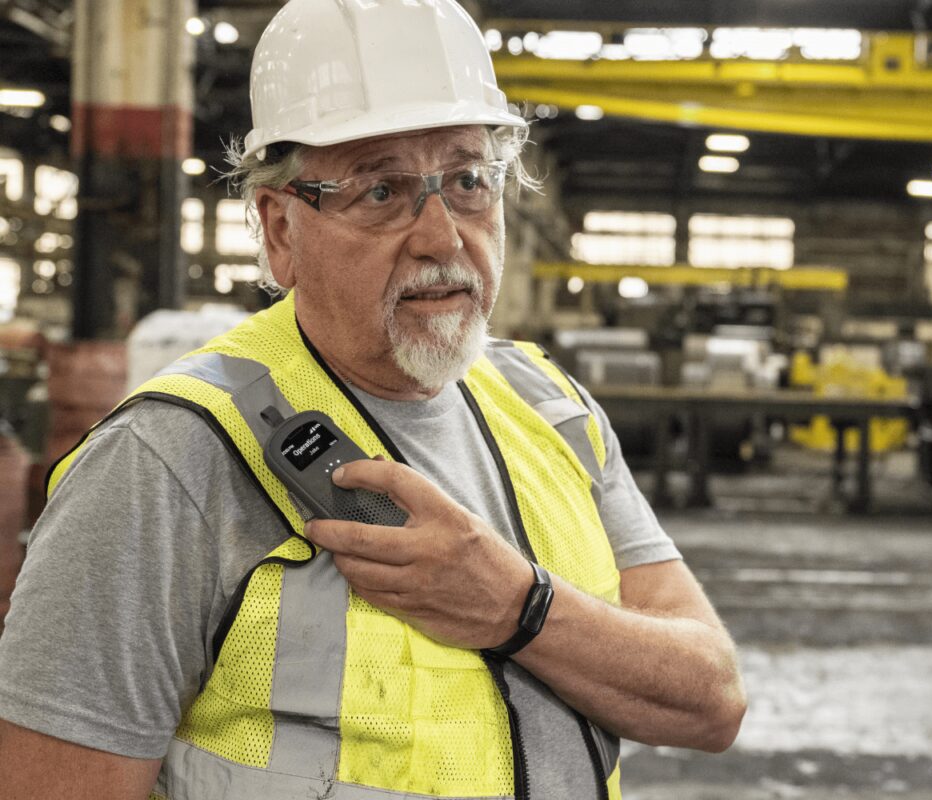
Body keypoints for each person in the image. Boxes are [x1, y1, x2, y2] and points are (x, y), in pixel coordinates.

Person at [0, 0, 746, 797]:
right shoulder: (167, 463)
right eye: (382, 191)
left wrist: (517, 608)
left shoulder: (551, 409)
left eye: (467, 180)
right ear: (281, 231)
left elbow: (710, 702)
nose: (444, 237)